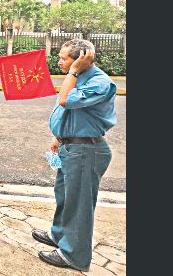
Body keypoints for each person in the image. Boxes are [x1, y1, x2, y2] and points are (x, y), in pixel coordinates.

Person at [33, 39, 116, 271]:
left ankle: (74, 256)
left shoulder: (99, 83)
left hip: (86, 151)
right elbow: (74, 115)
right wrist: (59, 137)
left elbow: (65, 100)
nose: (59, 61)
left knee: (78, 204)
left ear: (80, 60)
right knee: (64, 196)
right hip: (70, 147)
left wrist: (72, 71)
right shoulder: (80, 77)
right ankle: (59, 235)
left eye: (64, 58)